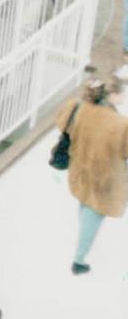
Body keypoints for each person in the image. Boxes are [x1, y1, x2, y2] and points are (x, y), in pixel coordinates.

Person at [55, 78, 128, 275]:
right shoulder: (121, 124)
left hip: (81, 167)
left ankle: (83, 239)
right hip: (105, 177)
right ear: (113, 96)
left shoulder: (83, 108)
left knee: (85, 203)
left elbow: (63, 123)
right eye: (122, 94)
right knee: (95, 212)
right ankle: (79, 260)